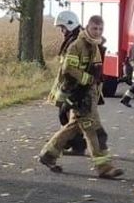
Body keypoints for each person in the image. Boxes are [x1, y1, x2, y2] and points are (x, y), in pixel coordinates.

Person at [37, 14, 124, 179]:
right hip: (80, 95)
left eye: (100, 29)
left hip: (89, 96)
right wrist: (87, 80)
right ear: (87, 28)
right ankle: (104, 167)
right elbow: (68, 69)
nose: (97, 32)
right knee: (95, 132)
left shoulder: (95, 46)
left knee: (74, 127)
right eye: (94, 28)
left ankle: (48, 155)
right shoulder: (77, 46)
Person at [50, 11, 89, 156]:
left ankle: (74, 144)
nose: (62, 31)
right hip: (72, 85)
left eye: (63, 28)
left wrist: (69, 88)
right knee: (68, 115)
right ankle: (74, 144)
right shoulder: (75, 38)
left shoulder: (76, 42)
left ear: (70, 25)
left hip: (76, 87)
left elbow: (73, 68)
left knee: (68, 115)